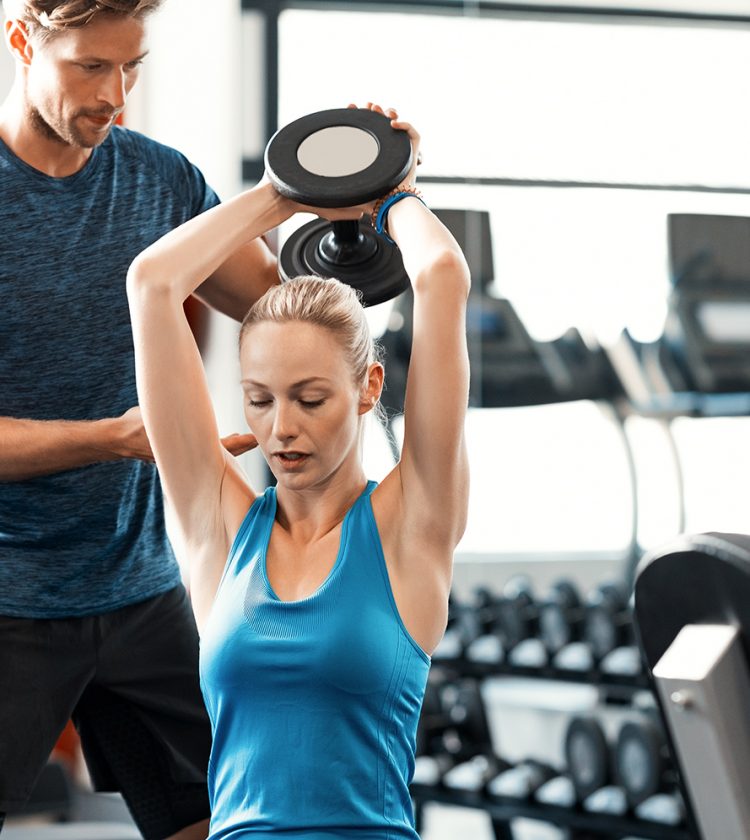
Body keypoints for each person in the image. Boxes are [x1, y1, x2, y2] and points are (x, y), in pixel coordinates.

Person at [126, 104, 471, 839]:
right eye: (259, 400)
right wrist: (286, 188)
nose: (281, 428)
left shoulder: (413, 526)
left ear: (369, 389)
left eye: (311, 399)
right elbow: (153, 283)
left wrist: (392, 190)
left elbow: (441, 275)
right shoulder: (216, 528)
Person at [0, 1, 277, 838]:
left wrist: (351, 200)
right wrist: (119, 438)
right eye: (91, 66)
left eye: (132, 67)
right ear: (22, 43)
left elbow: (283, 308)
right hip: (9, 598)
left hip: (143, 587)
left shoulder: (162, 182)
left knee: (226, 819)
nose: (115, 94)